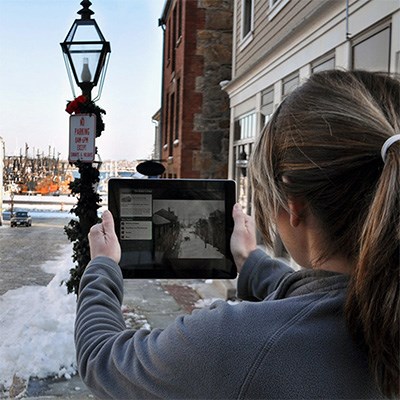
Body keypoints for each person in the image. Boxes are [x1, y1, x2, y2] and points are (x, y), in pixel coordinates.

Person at [75, 70, 399, 399]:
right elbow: (321, 297)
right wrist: (251, 261)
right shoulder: (382, 305)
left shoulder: (231, 341)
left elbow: (103, 360)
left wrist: (102, 266)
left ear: (294, 206)